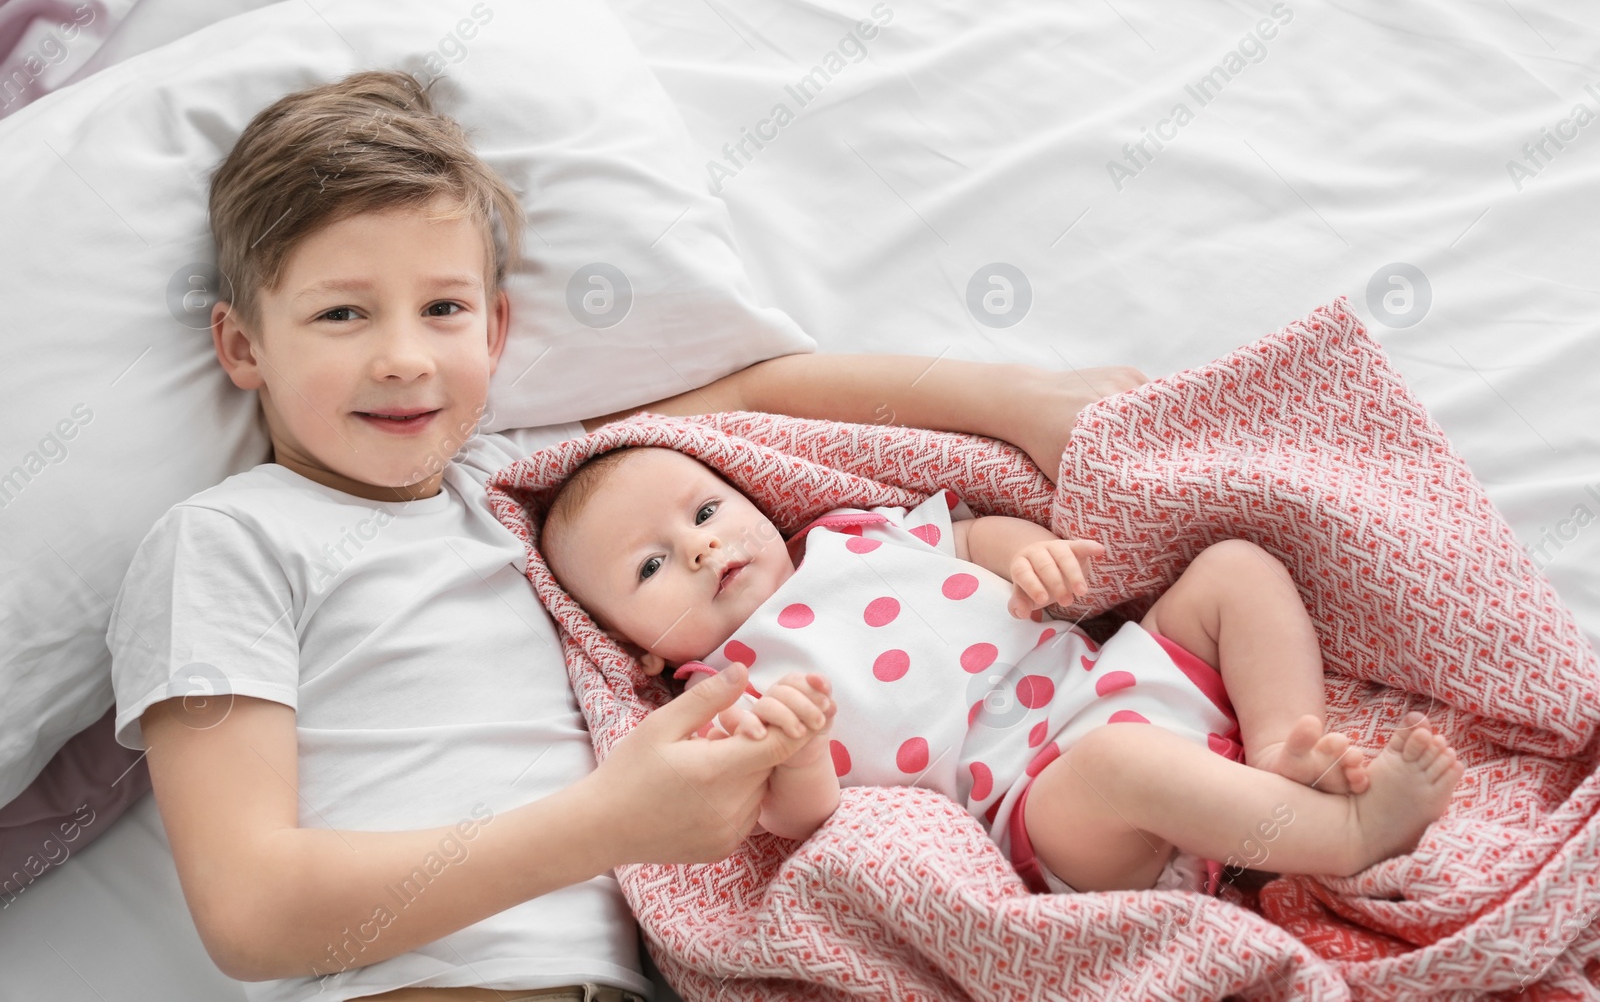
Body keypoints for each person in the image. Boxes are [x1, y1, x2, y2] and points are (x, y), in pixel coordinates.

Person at [104, 69, 1149, 1002]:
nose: (403, 359)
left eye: (441, 308)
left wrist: (1020, 399)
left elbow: (750, 394)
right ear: (243, 344)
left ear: (497, 329)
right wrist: (612, 822)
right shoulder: (224, 541)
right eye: (342, 315)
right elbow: (250, 914)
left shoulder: (519, 483)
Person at [537, 444, 1466, 896]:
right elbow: (796, 816)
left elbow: (978, 536)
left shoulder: (853, 534)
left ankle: (1274, 756)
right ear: (639, 647)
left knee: (1235, 570)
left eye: (705, 512)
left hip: (1115, 678)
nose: (698, 551)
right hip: (1050, 803)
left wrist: (1034, 565)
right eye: (651, 566)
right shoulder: (723, 691)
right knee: (1120, 766)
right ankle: (1341, 835)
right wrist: (798, 747)